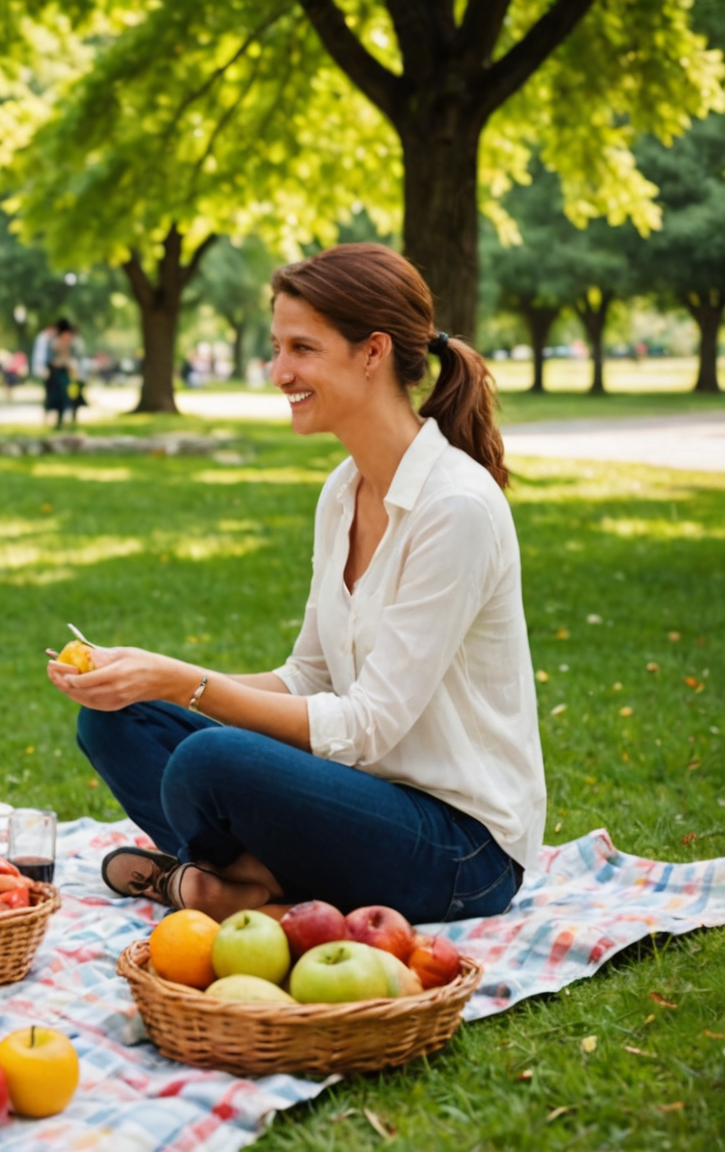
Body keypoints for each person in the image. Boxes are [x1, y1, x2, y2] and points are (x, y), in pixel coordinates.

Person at [46, 243, 541, 925]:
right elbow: (309, 675)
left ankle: (235, 879)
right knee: (116, 720)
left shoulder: (455, 506)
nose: (280, 372)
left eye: (301, 348)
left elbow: (367, 725)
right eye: (277, 348)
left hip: (461, 853)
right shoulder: (343, 491)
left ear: (372, 352)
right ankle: (253, 883)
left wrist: (184, 683)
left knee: (211, 760)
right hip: (355, 800)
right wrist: (150, 676)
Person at [33, 318, 78, 429]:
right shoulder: (53, 342)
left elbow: (73, 357)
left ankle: (63, 420)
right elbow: (50, 358)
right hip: (55, 372)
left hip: (65, 372)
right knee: (54, 397)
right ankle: (53, 420)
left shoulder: (70, 343)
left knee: (66, 397)